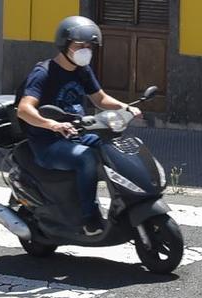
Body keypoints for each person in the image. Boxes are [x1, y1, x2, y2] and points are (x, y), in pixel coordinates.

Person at [14, 15, 141, 237]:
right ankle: (89, 219)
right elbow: (24, 109)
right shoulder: (43, 73)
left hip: (77, 135)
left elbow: (100, 99)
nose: (86, 50)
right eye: (80, 45)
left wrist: (126, 107)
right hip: (47, 143)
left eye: (89, 46)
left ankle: (127, 204)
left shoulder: (82, 70)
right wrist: (51, 124)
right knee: (85, 158)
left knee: (114, 147)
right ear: (65, 45)